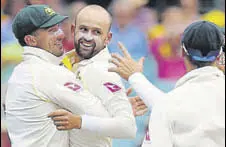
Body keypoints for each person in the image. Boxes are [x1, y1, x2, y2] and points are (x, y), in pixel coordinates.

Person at [5, 5, 136, 147]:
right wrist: (119, 111)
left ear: (107, 38)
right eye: (51, 31)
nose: (61, 34)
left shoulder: (21, 71)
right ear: (31, 40)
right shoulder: (50, 73)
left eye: (58, 27)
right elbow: (115, 121)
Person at [108, 21, 225, 146]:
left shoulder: (169, 103)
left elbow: (168, 106)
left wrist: (135, 77)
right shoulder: (168, 103)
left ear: (183, 52)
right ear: (219, 55)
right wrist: (135, 77)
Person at [47, 5, 137, 147]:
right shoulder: (66, 61)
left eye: (96, 32)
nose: (88, 37)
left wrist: (79, 122)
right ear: (72, 30)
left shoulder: (104, 71)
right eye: (83, 29)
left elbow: (128, 128)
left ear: (108, 38)